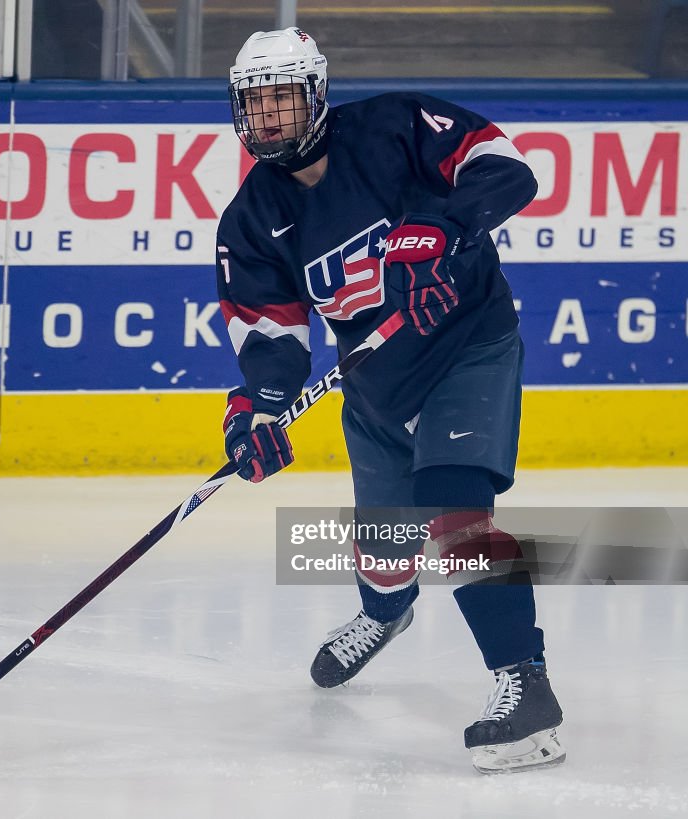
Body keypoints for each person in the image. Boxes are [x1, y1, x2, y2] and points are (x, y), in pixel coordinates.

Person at [216, 28, 564, 774]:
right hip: (374, 380)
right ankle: (385, 612)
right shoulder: (250, 219)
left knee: (454, 514)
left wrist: (442, 226)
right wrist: (261, 406)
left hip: (468, 345)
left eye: (282, 96)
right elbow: (270, 332)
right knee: (386, 547)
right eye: (256, 100)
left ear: (315, 95)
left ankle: (525, 685)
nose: (270, 114)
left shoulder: (396, 126)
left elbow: (508, 170)